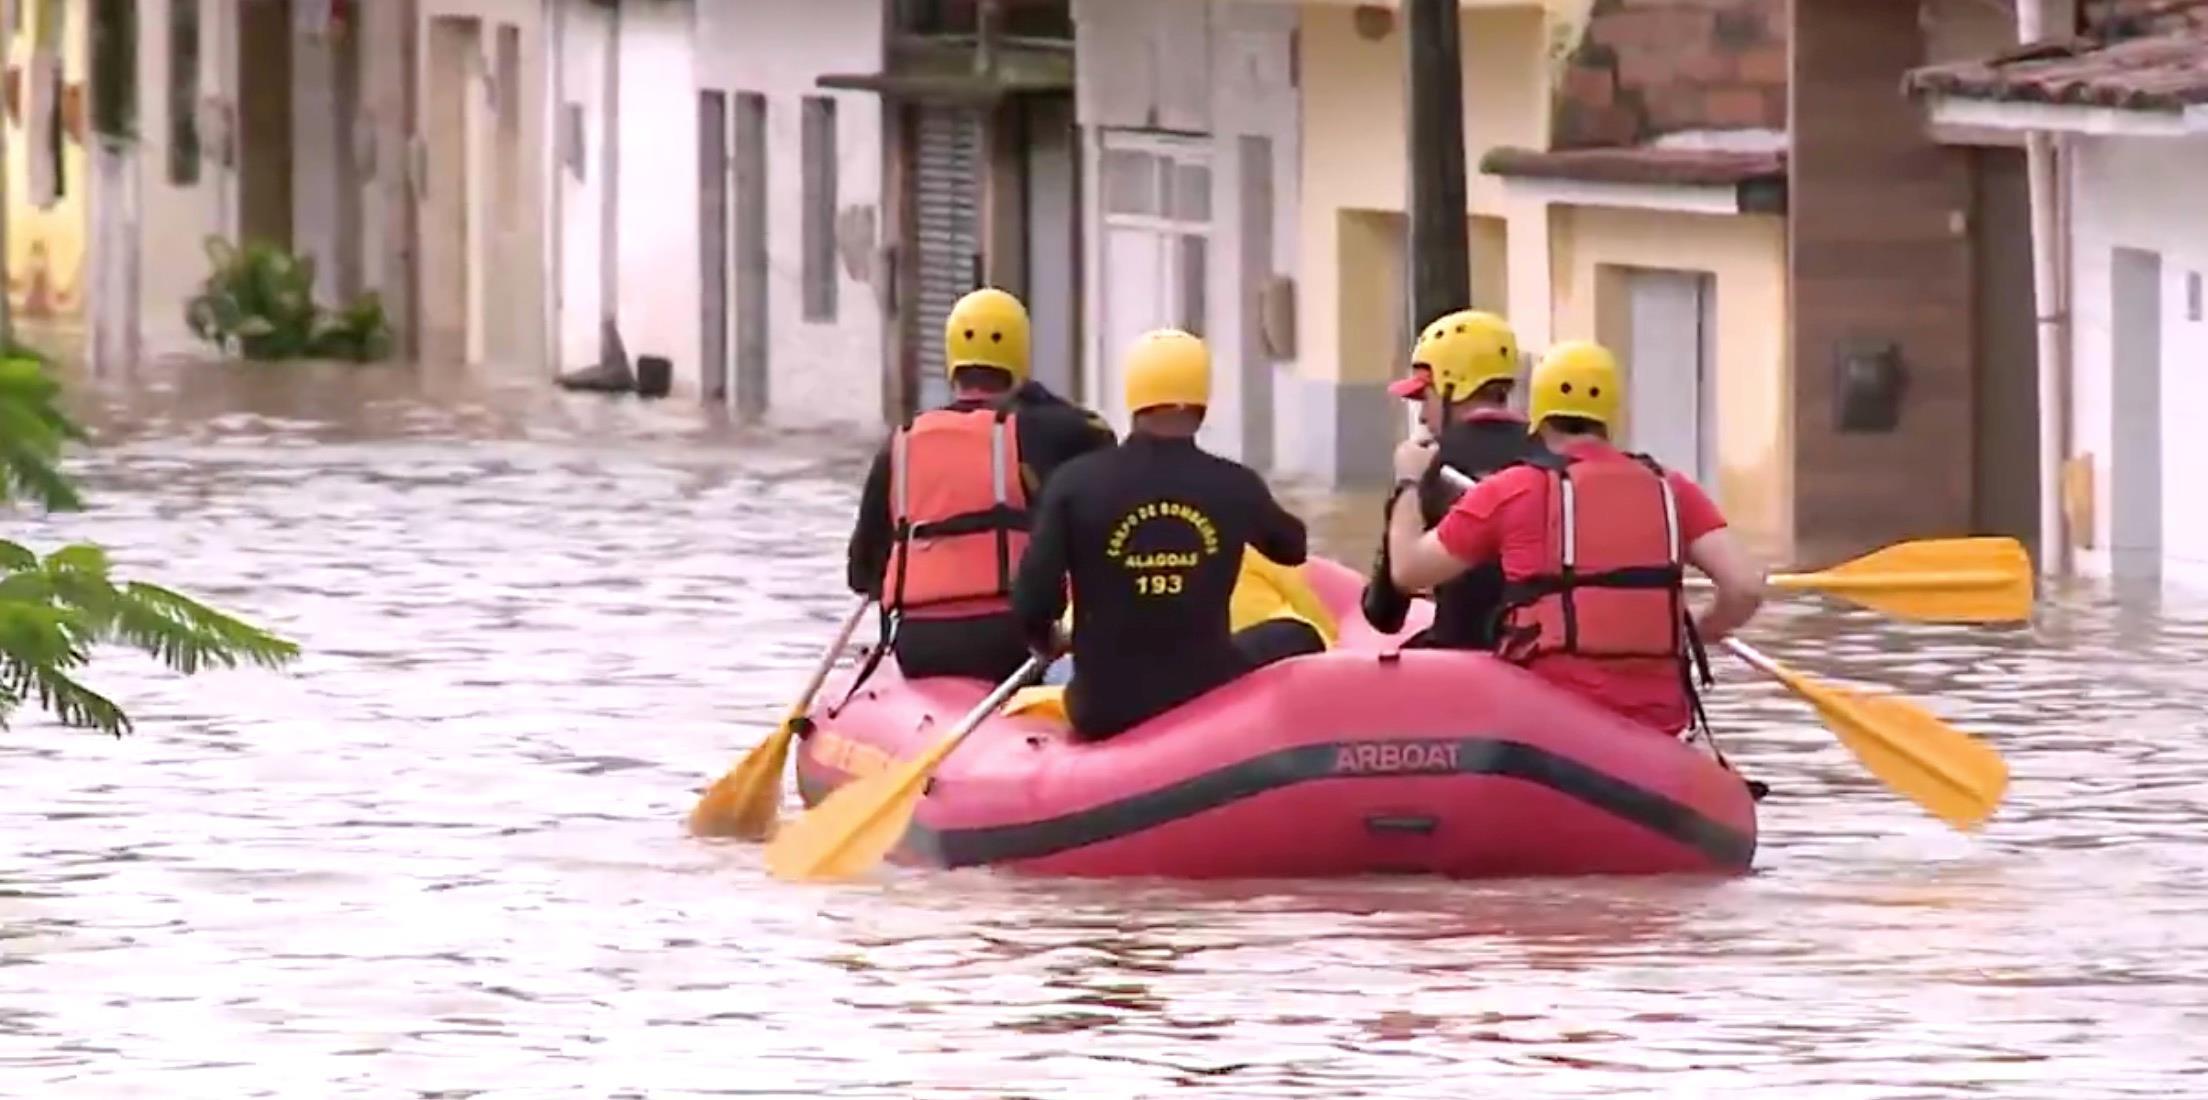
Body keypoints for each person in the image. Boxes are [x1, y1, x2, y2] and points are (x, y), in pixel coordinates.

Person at [1385, 340, 1766, 739]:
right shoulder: (1671, 489)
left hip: (1549, 715)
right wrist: (1697, 636)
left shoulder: (1513, 489)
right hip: (1654, 718)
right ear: (1611, 414)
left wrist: (1410, 480)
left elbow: (1408, 570)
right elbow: (1744, 588)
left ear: (1539, 415)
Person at [1011, 329, 1320, 740]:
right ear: (1203, 404)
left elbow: (1032, 600)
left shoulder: (1073, 484)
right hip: (1206, 692)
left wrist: (1050, 639)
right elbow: (1292, 548)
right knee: (1296, 634)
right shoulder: (1233, 484)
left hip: (1101, 707)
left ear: (1133, 399)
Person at [845, 287, 1116, 683]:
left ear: (952, 361)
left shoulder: (901, 443)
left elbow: (861, 575)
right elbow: (1100, 437)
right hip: (1009, 645)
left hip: (916, 645)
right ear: (1021, 357)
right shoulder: (1044, 431)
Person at [1362, 309, 1546, 649]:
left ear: (1451, 387)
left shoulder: (1427, 464)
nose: (1422, 415)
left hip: (1465, 659)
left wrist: (1407, 485)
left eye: (1425, 396)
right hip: (1541, 653)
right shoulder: (1552, 453)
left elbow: (1383, 613)